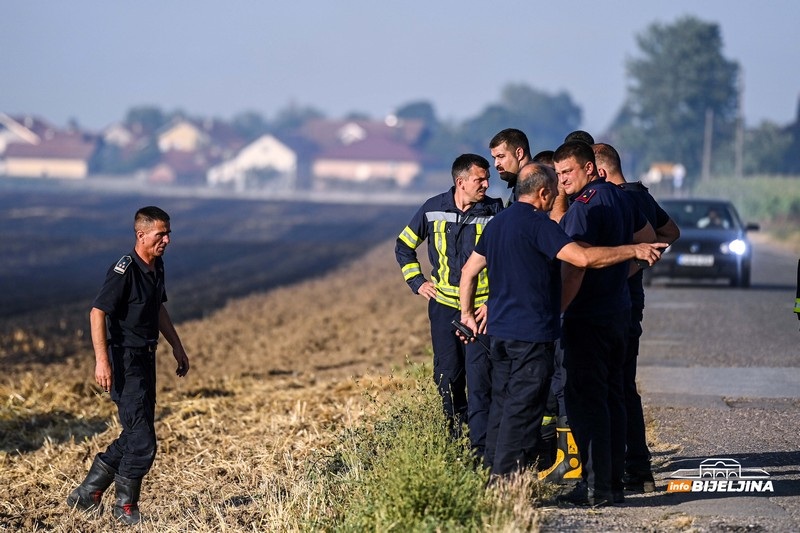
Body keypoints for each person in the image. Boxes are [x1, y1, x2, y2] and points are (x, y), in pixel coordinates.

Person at [458, 163, 664, 478]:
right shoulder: (541, 226)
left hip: (499, 335)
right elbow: (581, 259)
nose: (557, 195)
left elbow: (468, 272)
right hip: (531, 336)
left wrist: (467, 315)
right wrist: (632, 249)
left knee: (501, 405)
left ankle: (492, 474)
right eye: (554, 191)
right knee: (523, 409)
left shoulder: (497, 224)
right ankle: (504, 480)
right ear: (542, 192)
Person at [66, 206, 190, 525]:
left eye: (168, 233)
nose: (167, 240)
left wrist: (177, 346)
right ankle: (125, 508)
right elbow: (97, 312)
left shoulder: (156, 266)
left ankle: (88, 493)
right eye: (161, 234)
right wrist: (102, 361)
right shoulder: (124, 270)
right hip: (124, 360)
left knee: (136, 432)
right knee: (143, 441)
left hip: (146, 358)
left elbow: (158, 307)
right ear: (141, 235)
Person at [554, 141, 656, 507]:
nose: (563, 180)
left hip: (587, 317)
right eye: (559, 173)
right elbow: (650, 243)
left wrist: (558, 313)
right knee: (614, 398)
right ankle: (612, 483)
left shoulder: (582, 210)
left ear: (590, 168)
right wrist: (625, 270)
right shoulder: (623, 199)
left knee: (587, 403)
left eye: (569, 172)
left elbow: (574, 268)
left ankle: (594, 487)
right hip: (619, 311)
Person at [395, 154, 503, 462]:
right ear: (461, 182)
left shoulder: (496, 211)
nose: (487, 183)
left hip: (481, 312)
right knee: (447, 376)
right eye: (480, 179)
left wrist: (493, 302)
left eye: (487, 178)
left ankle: (480, 451)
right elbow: (404, 246)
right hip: (443, 309)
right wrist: (417, 282)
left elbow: (508, 258)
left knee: (480, 378)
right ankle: (455, 439)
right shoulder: (432, 209)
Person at [594, 143, 681, 492]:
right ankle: (636, 464)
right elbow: (671, 232)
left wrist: (627, 265)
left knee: (617, 386)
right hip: (632, 300)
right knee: (624, 385)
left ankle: (629, 465)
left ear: (598, 171)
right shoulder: (639, 195)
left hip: (619, 302)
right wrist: (644, 258)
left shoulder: (616, 200)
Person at [489, 128, 533, 205]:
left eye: (501, 156)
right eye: (494, 158)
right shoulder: (519, 186)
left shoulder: (538, 184)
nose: (496, 164)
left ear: (519, 154)